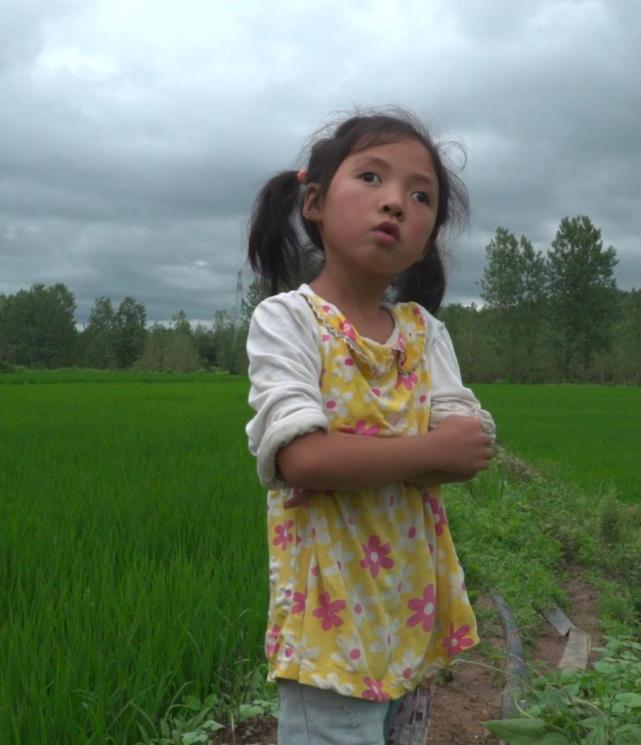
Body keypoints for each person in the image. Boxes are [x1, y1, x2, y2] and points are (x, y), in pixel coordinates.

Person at [244, 108, 497, 745]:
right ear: (314, 203)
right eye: (371, 179)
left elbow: (467, 449)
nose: (396, 204)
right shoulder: (289, 320)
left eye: (420, 197)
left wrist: (380, 454)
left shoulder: (423, 331)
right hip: (327, 629)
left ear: (427, 234)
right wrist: (426, 452)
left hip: (410, 615)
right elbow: (302, 461)